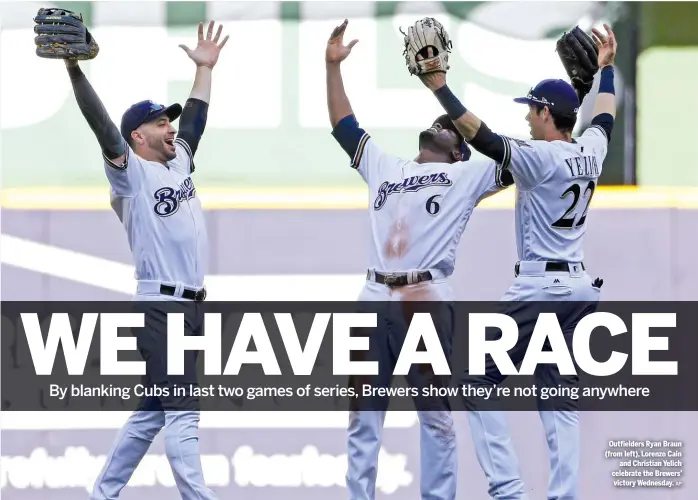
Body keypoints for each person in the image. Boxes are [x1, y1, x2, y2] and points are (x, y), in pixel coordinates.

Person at [419, 24, 617, 500]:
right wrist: (605, 69)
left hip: (540, 288)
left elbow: (481, 136)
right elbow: (605, 116)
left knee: (475, 376)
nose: (527, 117)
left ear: (548, 113)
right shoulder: (591, 150)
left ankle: (508, 489)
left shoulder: (538, 158)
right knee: (558, 395)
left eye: (531, 109)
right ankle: (564, 494)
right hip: (578, 290)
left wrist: (439, 87)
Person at [325, 19, 513, 500]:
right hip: (372, 293)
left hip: (425, 295)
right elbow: (344, 126)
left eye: (454, 132)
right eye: (442, 125)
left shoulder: (468, 175)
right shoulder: (387, 165)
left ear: (458, 153)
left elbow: (516, 158)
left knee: (435, 415)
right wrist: (332, 67)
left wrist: (443, 91)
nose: (444, 128)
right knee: (363, 415)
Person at [62, 20, 229, 500]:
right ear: (137, 136)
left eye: (168, 120)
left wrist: (204, 69)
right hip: (162, 305)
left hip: (190, 306)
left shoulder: (178, 161)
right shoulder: (130, 174)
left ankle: (103, 494)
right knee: (183, 410)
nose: (171, 126)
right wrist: (74, 68)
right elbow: (102, 128)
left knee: (152, 412)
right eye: (160, 122)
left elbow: (196, 117)